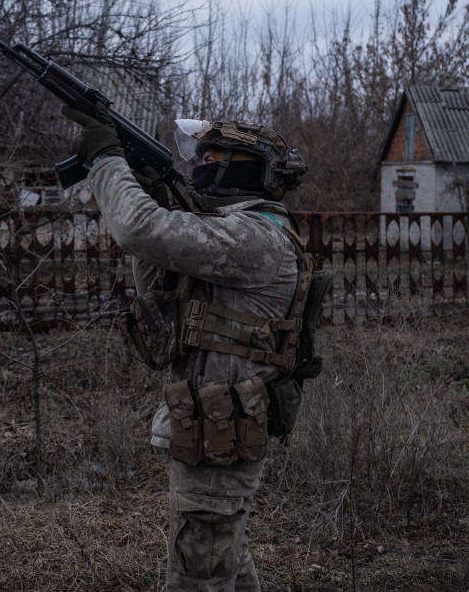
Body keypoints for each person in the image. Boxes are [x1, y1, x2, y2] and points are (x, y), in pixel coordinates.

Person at [62, 105, 311, 591]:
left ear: (248, 168)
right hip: (210, 430)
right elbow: (157, 291)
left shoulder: (255, 235)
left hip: (220, 434)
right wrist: (157, 195)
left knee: (200, 572)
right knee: (223, 560)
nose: (199, 164)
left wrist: (107, 162)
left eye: (212, 155)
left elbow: (139, 229)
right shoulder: (238, 231)